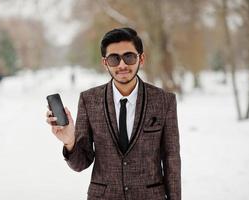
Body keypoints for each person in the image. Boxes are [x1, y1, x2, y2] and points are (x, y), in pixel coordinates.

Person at [46, 27, 181, 200]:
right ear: (105, 63)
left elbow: (171, 160)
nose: (122, 65)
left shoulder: (164, 101)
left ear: (142, 58)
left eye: (129, 57)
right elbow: (81, 163)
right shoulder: (89, 100)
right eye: (114, 59)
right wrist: (70, 141)